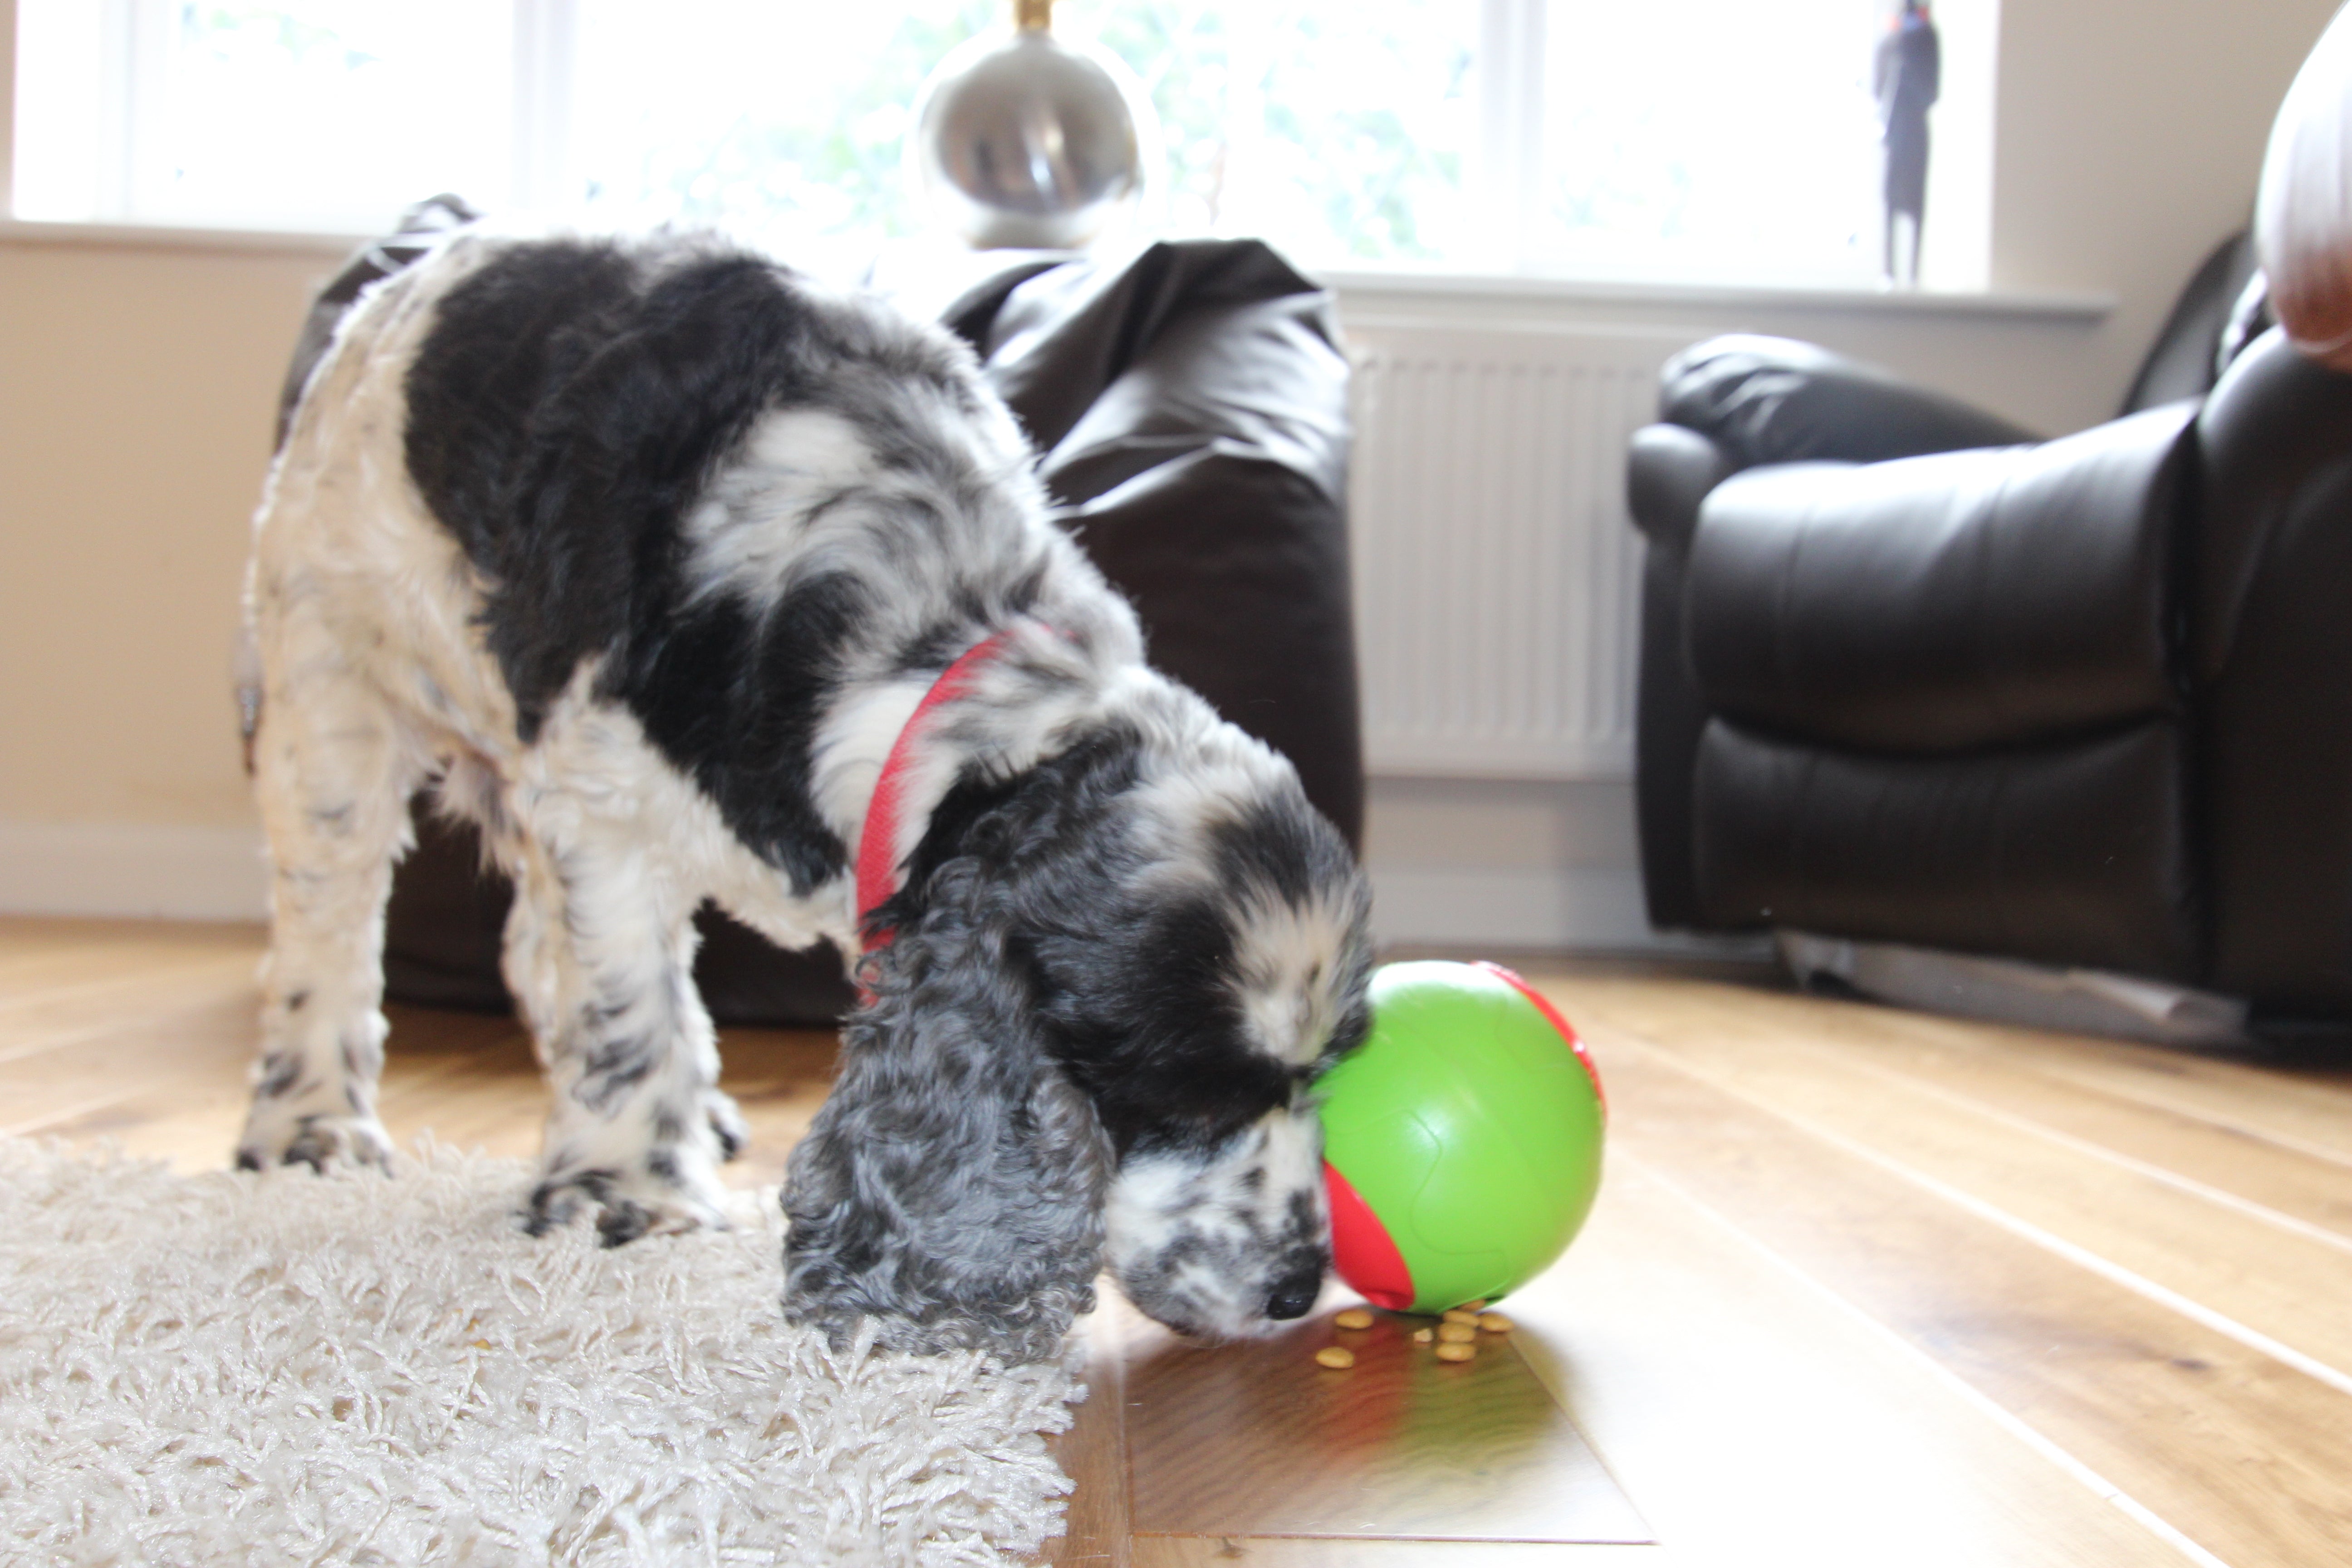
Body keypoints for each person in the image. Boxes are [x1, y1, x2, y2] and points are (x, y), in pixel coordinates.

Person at [1874, 0, 1940, 286]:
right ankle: (1888, 271)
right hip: (1895, 128)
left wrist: (1910, 72)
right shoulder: (1890, 41)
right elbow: (1879, 87)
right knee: (1890, 199)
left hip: (1916, 129)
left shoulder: (1927, 40)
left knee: (1916, 203)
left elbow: (1932, 91)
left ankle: (1913, 274)